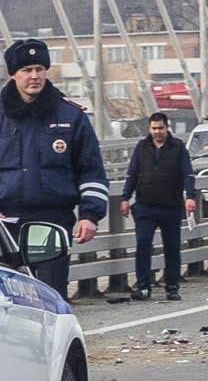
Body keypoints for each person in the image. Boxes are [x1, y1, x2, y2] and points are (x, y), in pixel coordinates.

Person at [0, 38, 108, 300]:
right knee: (7, 302)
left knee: (49, 297)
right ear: (13, 74)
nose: (34, 76)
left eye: (39, 69)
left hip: (51, 222)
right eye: (27, 70)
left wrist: (89, 215)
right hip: (5, 223)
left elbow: (91, 170)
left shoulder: (71, 116)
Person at [120, 112, 197, 301]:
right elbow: (132, 173)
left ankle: (172, 286)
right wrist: (125, 198)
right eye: (153, 128)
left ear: (166, 127)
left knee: (172, 247)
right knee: (143, 244)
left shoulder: (177, 147)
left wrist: (190, 196)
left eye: (160, 128)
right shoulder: (142, 147)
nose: (157, 132)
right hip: (145, 206)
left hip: (170, 206)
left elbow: (188, 173)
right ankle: (143, 286)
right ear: (149, 128)